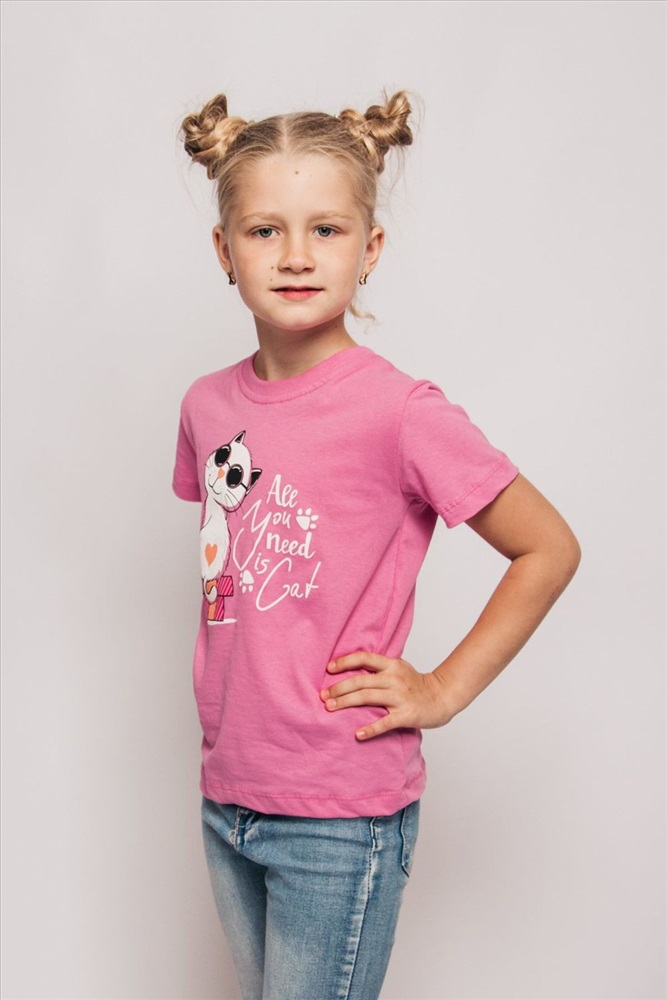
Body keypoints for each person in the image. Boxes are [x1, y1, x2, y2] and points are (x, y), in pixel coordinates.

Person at [172, 90, 581, 1000]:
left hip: (338, 812)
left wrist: (442, 689)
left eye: (326, 229)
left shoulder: (398, 412)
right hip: (227, 795)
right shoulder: (207, 408)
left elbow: (547, 547)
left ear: (370, 248)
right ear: (224, 250)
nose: (296, 255)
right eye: (265, 231)